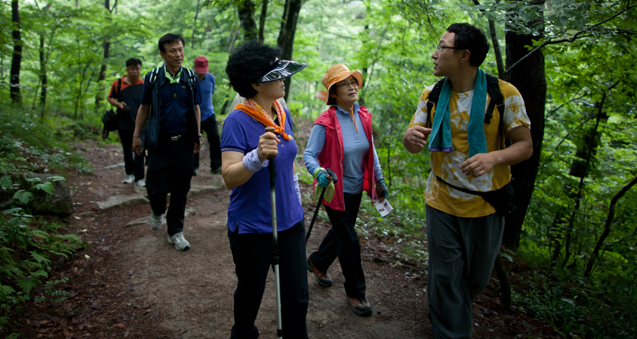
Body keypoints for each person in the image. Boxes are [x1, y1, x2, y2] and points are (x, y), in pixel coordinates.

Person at [402, 23, 533, 339]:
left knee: (475, 279)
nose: (435, 54)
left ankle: (448, 309)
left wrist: (493, 158)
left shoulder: (503, 94)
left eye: (441, 47)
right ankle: (451, 330)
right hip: (442, 198)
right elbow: (412, 138)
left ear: (463, 55)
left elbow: (525, 146)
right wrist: (409, 138)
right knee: (446, 276)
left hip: (487, 203)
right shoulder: (431, 95)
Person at [220, 40, 308, 339]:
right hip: (253, 226)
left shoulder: (281, 111)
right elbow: (230, 177)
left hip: (290, 222)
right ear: (257, 83)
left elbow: (289, 163)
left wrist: (295, 197)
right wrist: (255, 157)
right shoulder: (237, 120)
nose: (283, 78)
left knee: (296, 298)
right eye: (276, 73)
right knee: (249, 297)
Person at [303, 63, 388, 317]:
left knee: (342, 233)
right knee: (350, 241)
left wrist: (379, 180)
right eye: (344, 84)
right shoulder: (325, 121)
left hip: (355, 191)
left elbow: (371, 152)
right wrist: (319, 172)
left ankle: (318, 262)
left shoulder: (364, 116)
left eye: (353, 82)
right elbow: (309, 154)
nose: (352, 87)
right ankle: (356, 292)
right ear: (333, 92)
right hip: (333, 191)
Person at [132, 33, 202, 252]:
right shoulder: (153, 78)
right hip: (158, 143)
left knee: (181, 189)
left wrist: (197, 135)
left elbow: (196, 108)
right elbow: (144, 107)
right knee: (156, 188)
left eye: (180, 49)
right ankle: (157, 210)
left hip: (183, 143)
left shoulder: (190, 78)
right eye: (172, 51)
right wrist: (137, 135)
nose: (178, 54)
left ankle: (175, 232)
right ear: (162, 54)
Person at [107, 58, 145, 187]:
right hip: (123, 123)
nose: (135, 72)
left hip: (140, 125)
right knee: (127, 150)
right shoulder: (118, 83)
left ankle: (139, 178)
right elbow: (110, 97)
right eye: (132, 69)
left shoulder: (144, 84)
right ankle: (129, 173)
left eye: (137, 69)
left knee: (139, 150)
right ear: (127, 69)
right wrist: (119, 105)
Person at [193, 56, 222, 176]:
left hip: (209, 114)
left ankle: (216, 166)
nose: (201, 75)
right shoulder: (190, 79)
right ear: (194, 68)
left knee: (215, 138)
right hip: (194, 115)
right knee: (194, 140)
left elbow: (211, 94)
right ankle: (193, 167)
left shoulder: (211, 78)